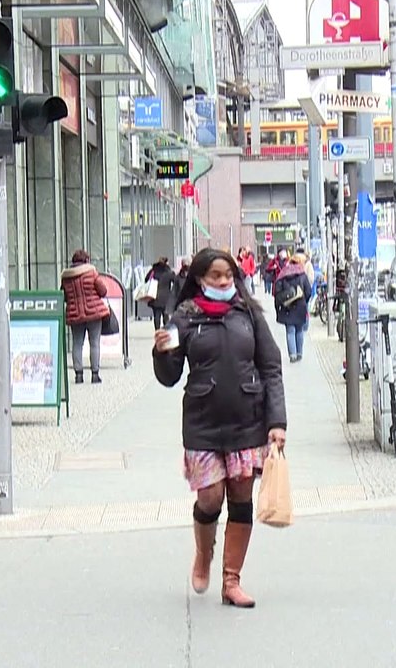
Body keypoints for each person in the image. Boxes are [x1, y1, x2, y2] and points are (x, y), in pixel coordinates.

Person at [152, 248, 287, 609]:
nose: (224, 281)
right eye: (216, 276)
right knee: (210, 495)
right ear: (200, 278)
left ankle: (232, 580)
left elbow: (271, 367)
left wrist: (276, 422)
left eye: (228, 275)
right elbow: (169, 378)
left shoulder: (249, 313)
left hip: (247, 419)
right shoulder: (184, 317)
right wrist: (162, 353)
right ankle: (202, 553)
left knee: (241, 495)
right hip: (203, 422)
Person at [60, 249, 111, 384]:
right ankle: (95, 374)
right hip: (93, 313)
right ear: (86, 260)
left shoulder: (66, 277)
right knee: (94, 343)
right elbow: (103, 291)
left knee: (77, 343)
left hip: (75, 314)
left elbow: (64, 296)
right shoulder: (92, 272)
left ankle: (78, 375)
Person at [273, 252, 312, 363]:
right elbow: (308, 291)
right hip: (300, 306)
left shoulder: (283, 274)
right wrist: (305, 301)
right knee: (299, 330)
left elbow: (277, 292)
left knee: (290, 331)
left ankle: (292, 355)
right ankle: (299, 353)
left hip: (287, 308)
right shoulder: (302, 275)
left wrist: (278, 307)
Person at [144, 257, 178, 330]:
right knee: (165, 316)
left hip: (155, 296)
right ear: (166, 263)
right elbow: (175, 281)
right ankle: (166, 331)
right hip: (166, 298)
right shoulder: (169, 272)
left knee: (156, 315)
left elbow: (146, 279)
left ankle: (157, 330)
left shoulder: (153, 271)